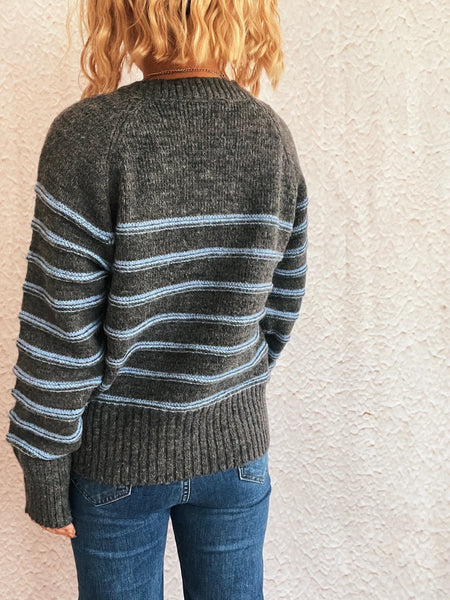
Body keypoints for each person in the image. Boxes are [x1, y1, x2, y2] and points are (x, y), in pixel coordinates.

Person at [5, 0, 309, 598]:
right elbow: (282, 303)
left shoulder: (89, 136)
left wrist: (43, 461)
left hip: (117, 464)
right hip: (236, 454)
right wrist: (224, 385)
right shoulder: (269, 135)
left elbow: (60, 325)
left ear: (123, 12)